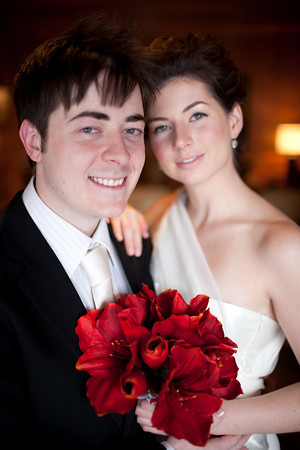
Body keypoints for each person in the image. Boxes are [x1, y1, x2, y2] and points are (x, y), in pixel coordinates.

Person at [109, 32, 300, 449]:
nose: (181, 140)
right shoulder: (157, 217)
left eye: (197, 116)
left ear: (233, 120)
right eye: (162, 125)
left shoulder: (282, 245)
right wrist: (115, 213)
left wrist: (214, 417)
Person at [0, 11, 169, 449]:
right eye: (91, 127)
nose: (121, 154)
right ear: (34, 140)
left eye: (131, 128)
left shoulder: (139, 244)